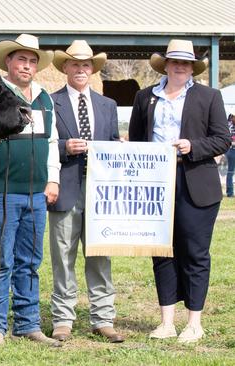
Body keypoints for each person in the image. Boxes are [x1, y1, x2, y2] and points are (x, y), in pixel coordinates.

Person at [129, 39, 230, 343]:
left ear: (192, 67)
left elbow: (222, 139)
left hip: (196, 182)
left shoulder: (209, 96)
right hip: (155, 184)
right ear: (166, 64)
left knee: (195, 254)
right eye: (175, 61)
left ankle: (194, 323)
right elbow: (136, 140)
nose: (180, 66)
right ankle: (166, 321)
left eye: (185, 63)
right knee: (161, 252)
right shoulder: (145, 97)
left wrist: (192, 146)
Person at [0, 33, 61, 347]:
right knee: (1, 261)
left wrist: (52, 179)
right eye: (21, 60)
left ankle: (28, 325)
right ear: (9, 63)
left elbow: (51, 141)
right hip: (1, 191)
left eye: (31, 61)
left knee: (30, 261)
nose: (26, 66)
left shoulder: (44, 98)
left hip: (37, 194)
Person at [47, 40, 124, 343]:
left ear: (93, 69)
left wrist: (119, 149)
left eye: (86, 65)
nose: (81, 69)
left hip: (100, 193)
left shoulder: (108, 106)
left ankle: (103, 318)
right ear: (64, 68)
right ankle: (63, 319)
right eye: (75, 64)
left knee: (100, 256)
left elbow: (114, 141)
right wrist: (66, 149)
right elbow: (46, 147)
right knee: (63, 257)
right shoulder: (50, 102)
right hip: (65, 189)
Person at [226, 114, 235, 197]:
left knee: (230, 172)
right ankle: (230, 192)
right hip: (231, 150)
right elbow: (228, 140)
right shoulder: (229, 126)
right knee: (230, 171)